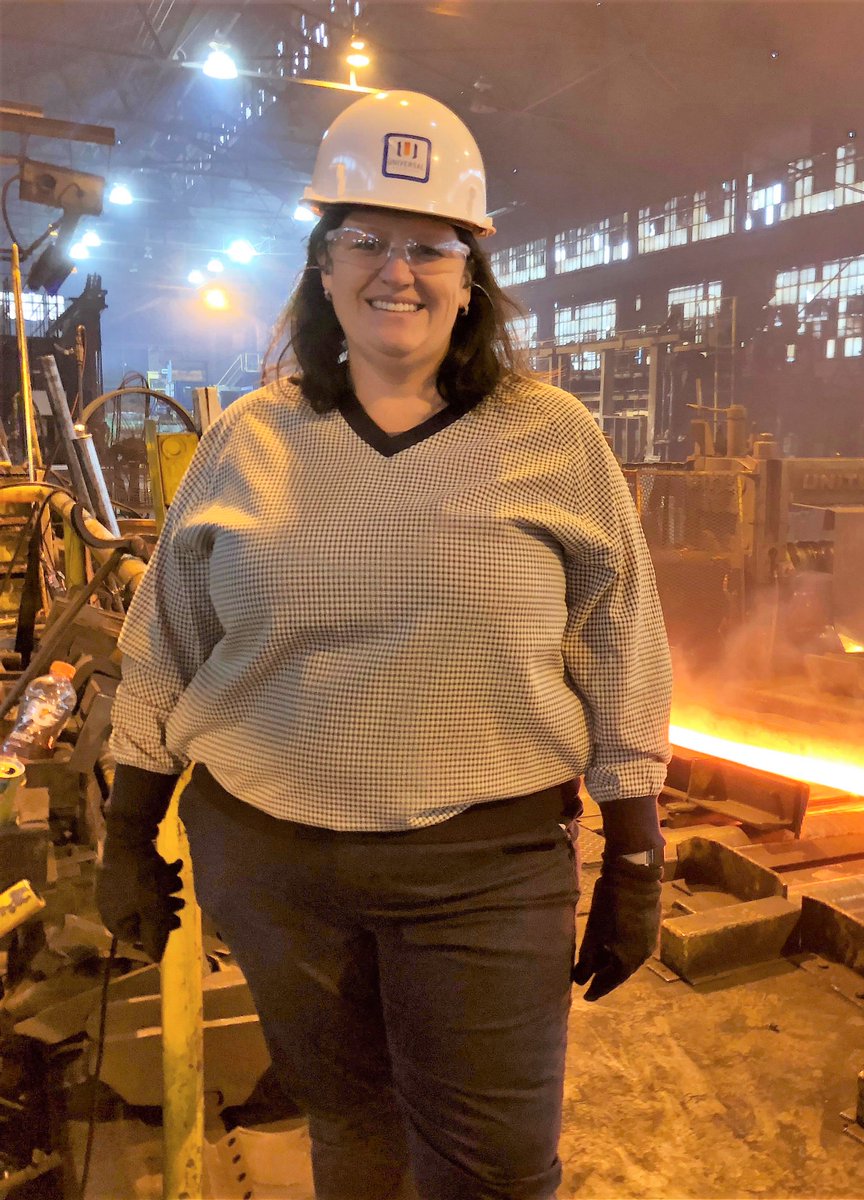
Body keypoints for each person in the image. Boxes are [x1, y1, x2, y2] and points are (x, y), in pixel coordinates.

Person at [96, 90, 672, 1200]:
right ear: (321, 265)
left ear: (470, 274)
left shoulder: (551, 437)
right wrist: (132, 826)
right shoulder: (247, 439)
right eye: (364, 240)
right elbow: (167, 638)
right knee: (351, 1132)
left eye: (428, 245)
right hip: (273, 869)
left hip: (482, 874)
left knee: (493, 1171)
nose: (395, 271)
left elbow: (619, 642)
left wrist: (637, 853)